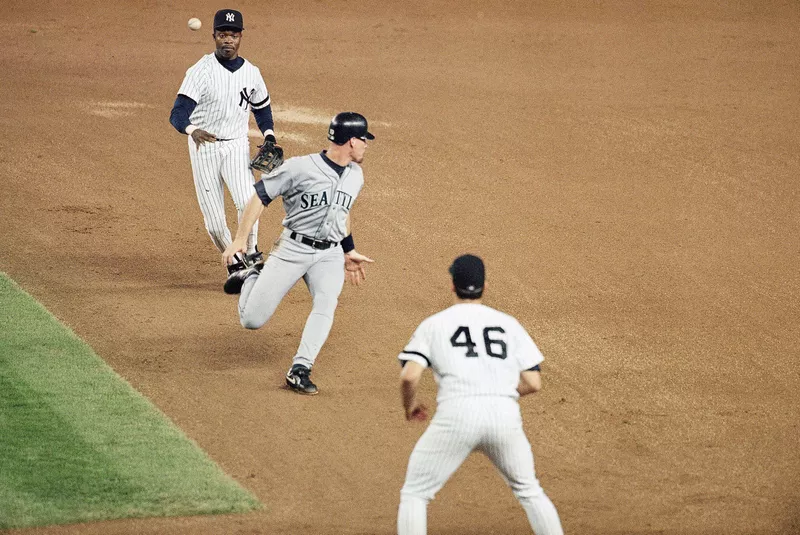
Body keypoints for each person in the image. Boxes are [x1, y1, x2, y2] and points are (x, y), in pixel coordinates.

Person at [396, 254, 564, 535]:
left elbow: (410, 375)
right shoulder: (508, 323)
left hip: (456, 416)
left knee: (416, 493)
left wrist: (410, 406)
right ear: (485, 285)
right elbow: (534, 382)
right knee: (529, 490)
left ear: (452, 285)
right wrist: (498, 392)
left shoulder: (435, 324)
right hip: (504, 416)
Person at [222, 112, 376, 395]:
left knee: (326, 302)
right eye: (364, 139)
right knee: (252, 320)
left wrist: (348, 248)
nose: (366, 144)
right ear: (352, 141)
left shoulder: (356, 175)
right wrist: (240, 239)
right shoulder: (299, 168)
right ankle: (251, 277)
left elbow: (343, 213)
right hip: (293, 249)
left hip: (329, 254)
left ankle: (300, 368)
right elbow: (260, 195)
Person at [169, 9, 276, 280]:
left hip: (237, 147)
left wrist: (269, 135)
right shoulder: (200, 71)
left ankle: (251, 254)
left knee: (246, 203)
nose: (228, 40)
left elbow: (262, 109)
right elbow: (178, 114)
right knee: (216, 224)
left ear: (241, 37)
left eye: (233, 35)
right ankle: (234, 263)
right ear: (214, 36)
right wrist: (192, 130)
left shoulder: (252, 72)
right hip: (205, 149)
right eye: (222, 35)